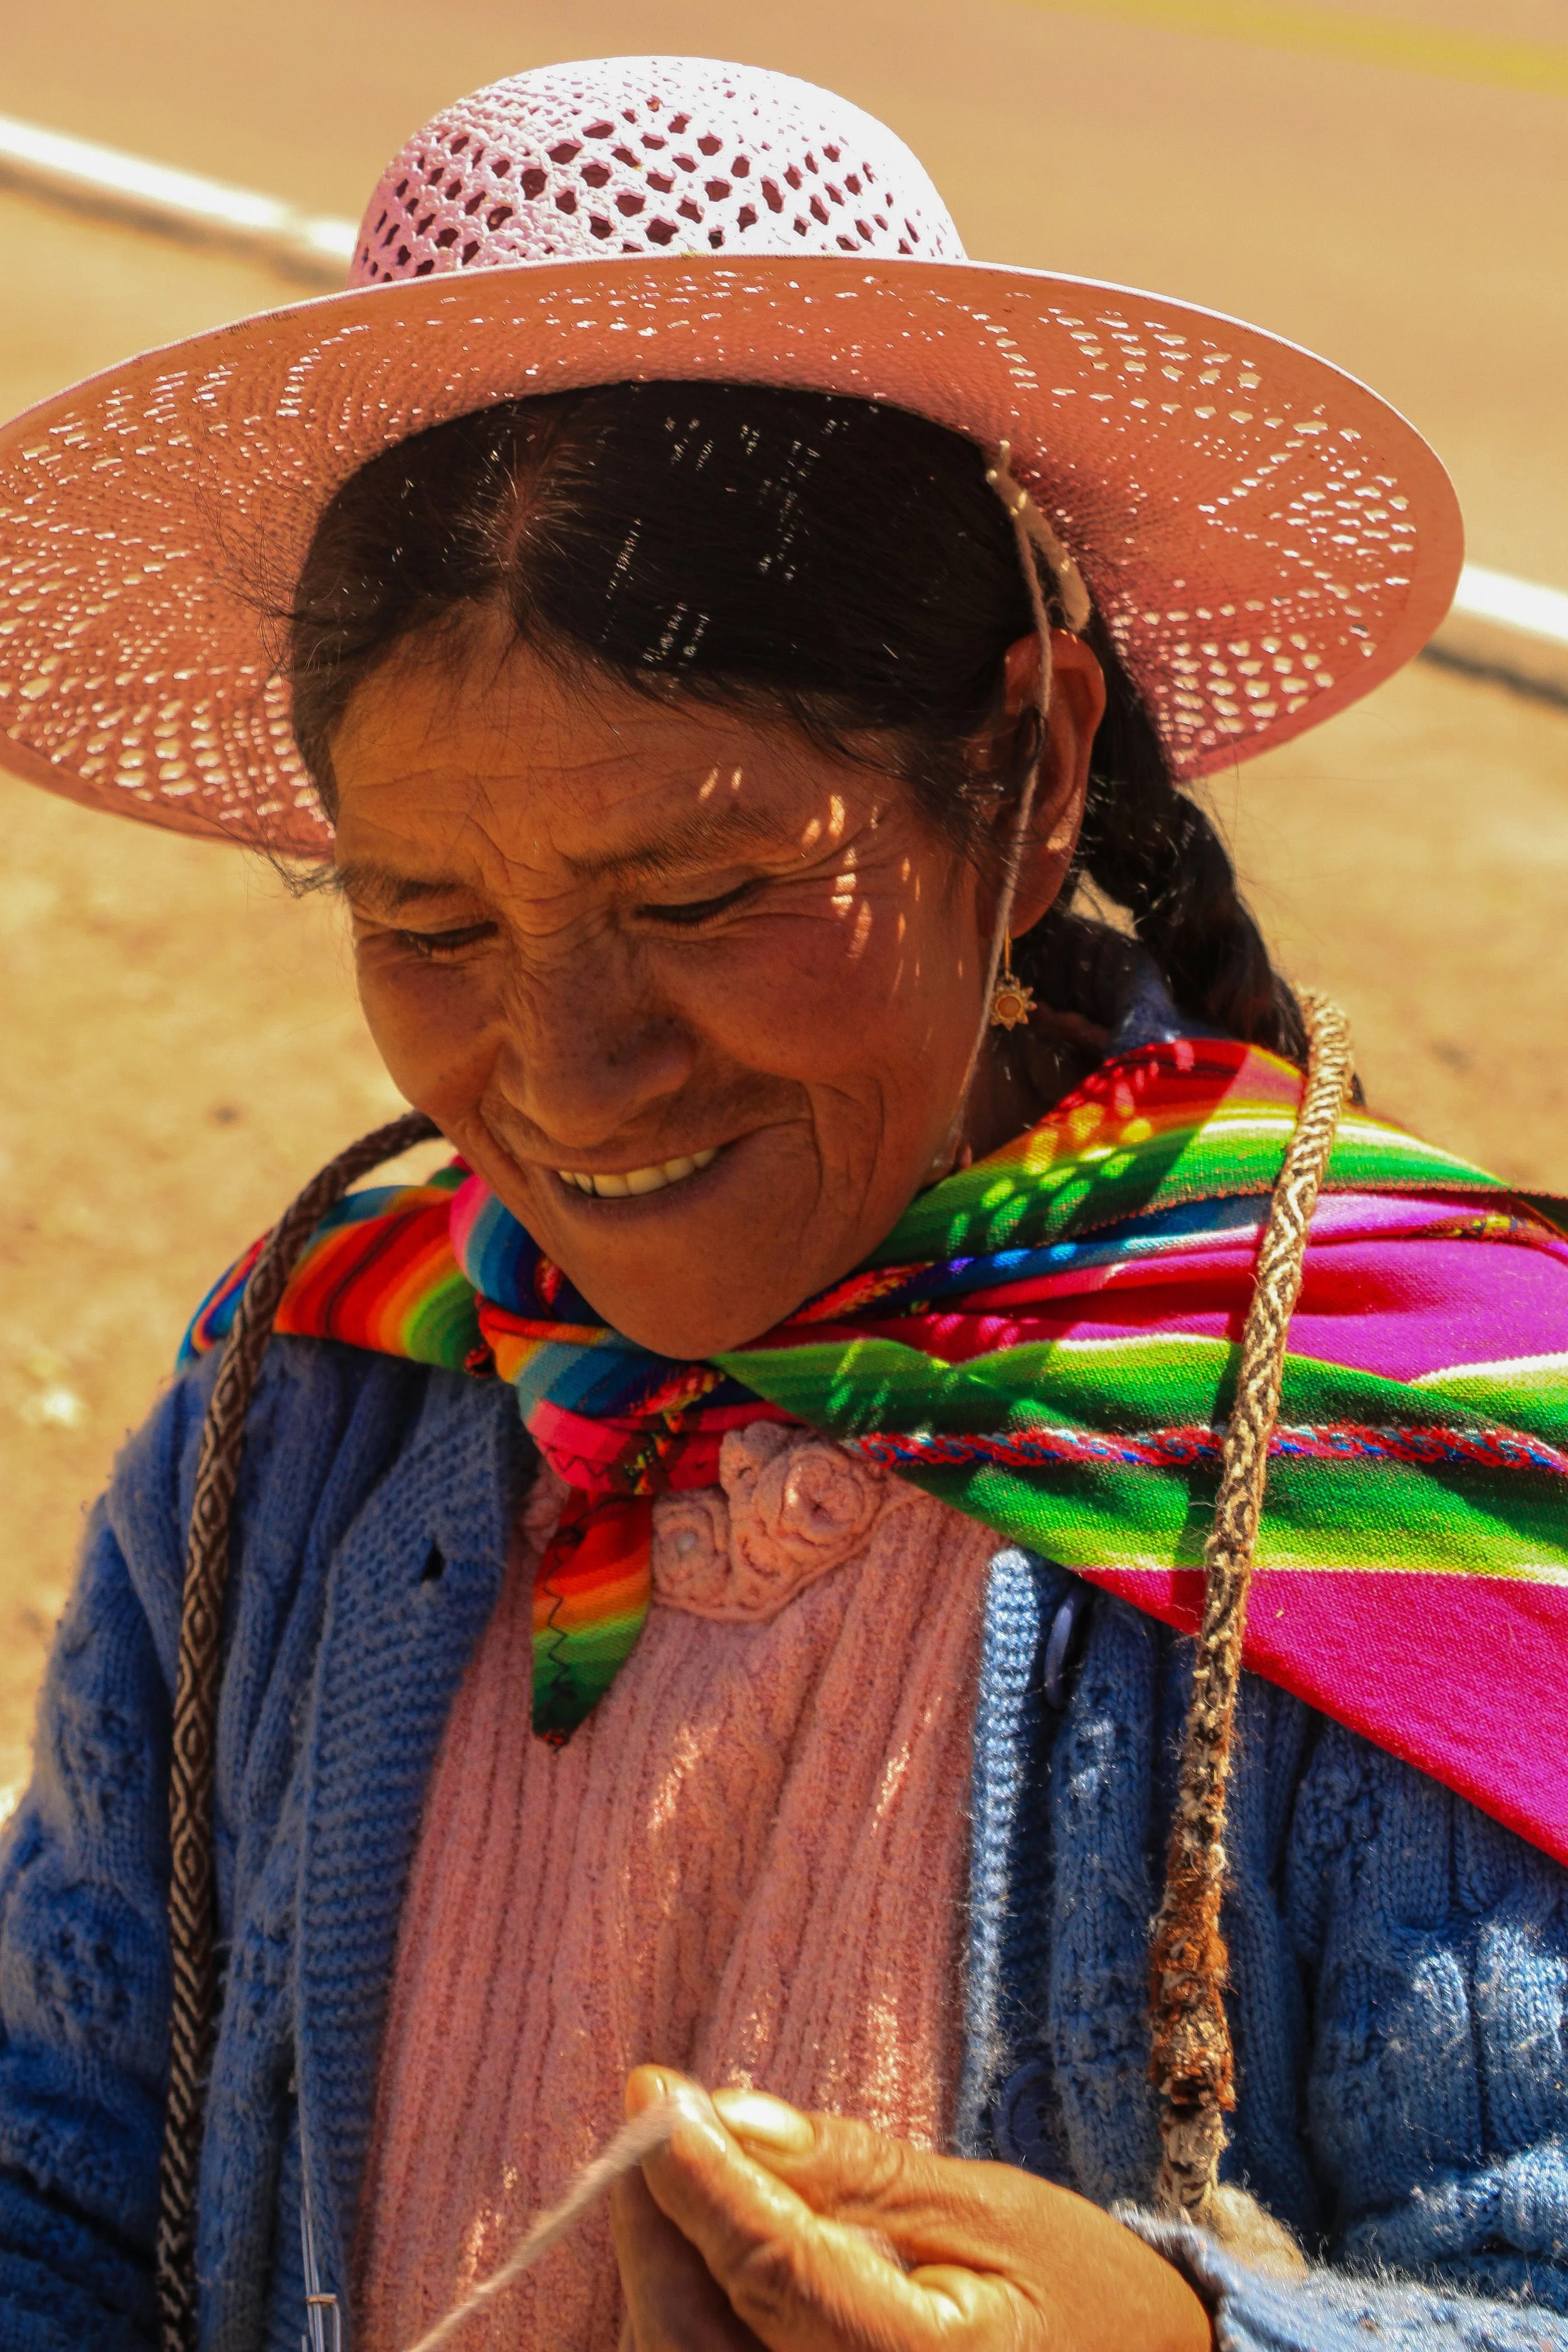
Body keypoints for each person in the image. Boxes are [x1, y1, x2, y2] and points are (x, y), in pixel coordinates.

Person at [0, 51, 1565, 2352]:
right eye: (427, 922)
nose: (566, 1067)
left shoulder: (1397, 1445)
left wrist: (1174, 2334)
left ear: (1025, 777)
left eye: (709, 892)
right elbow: (62, 2148)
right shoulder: (317, 1399)